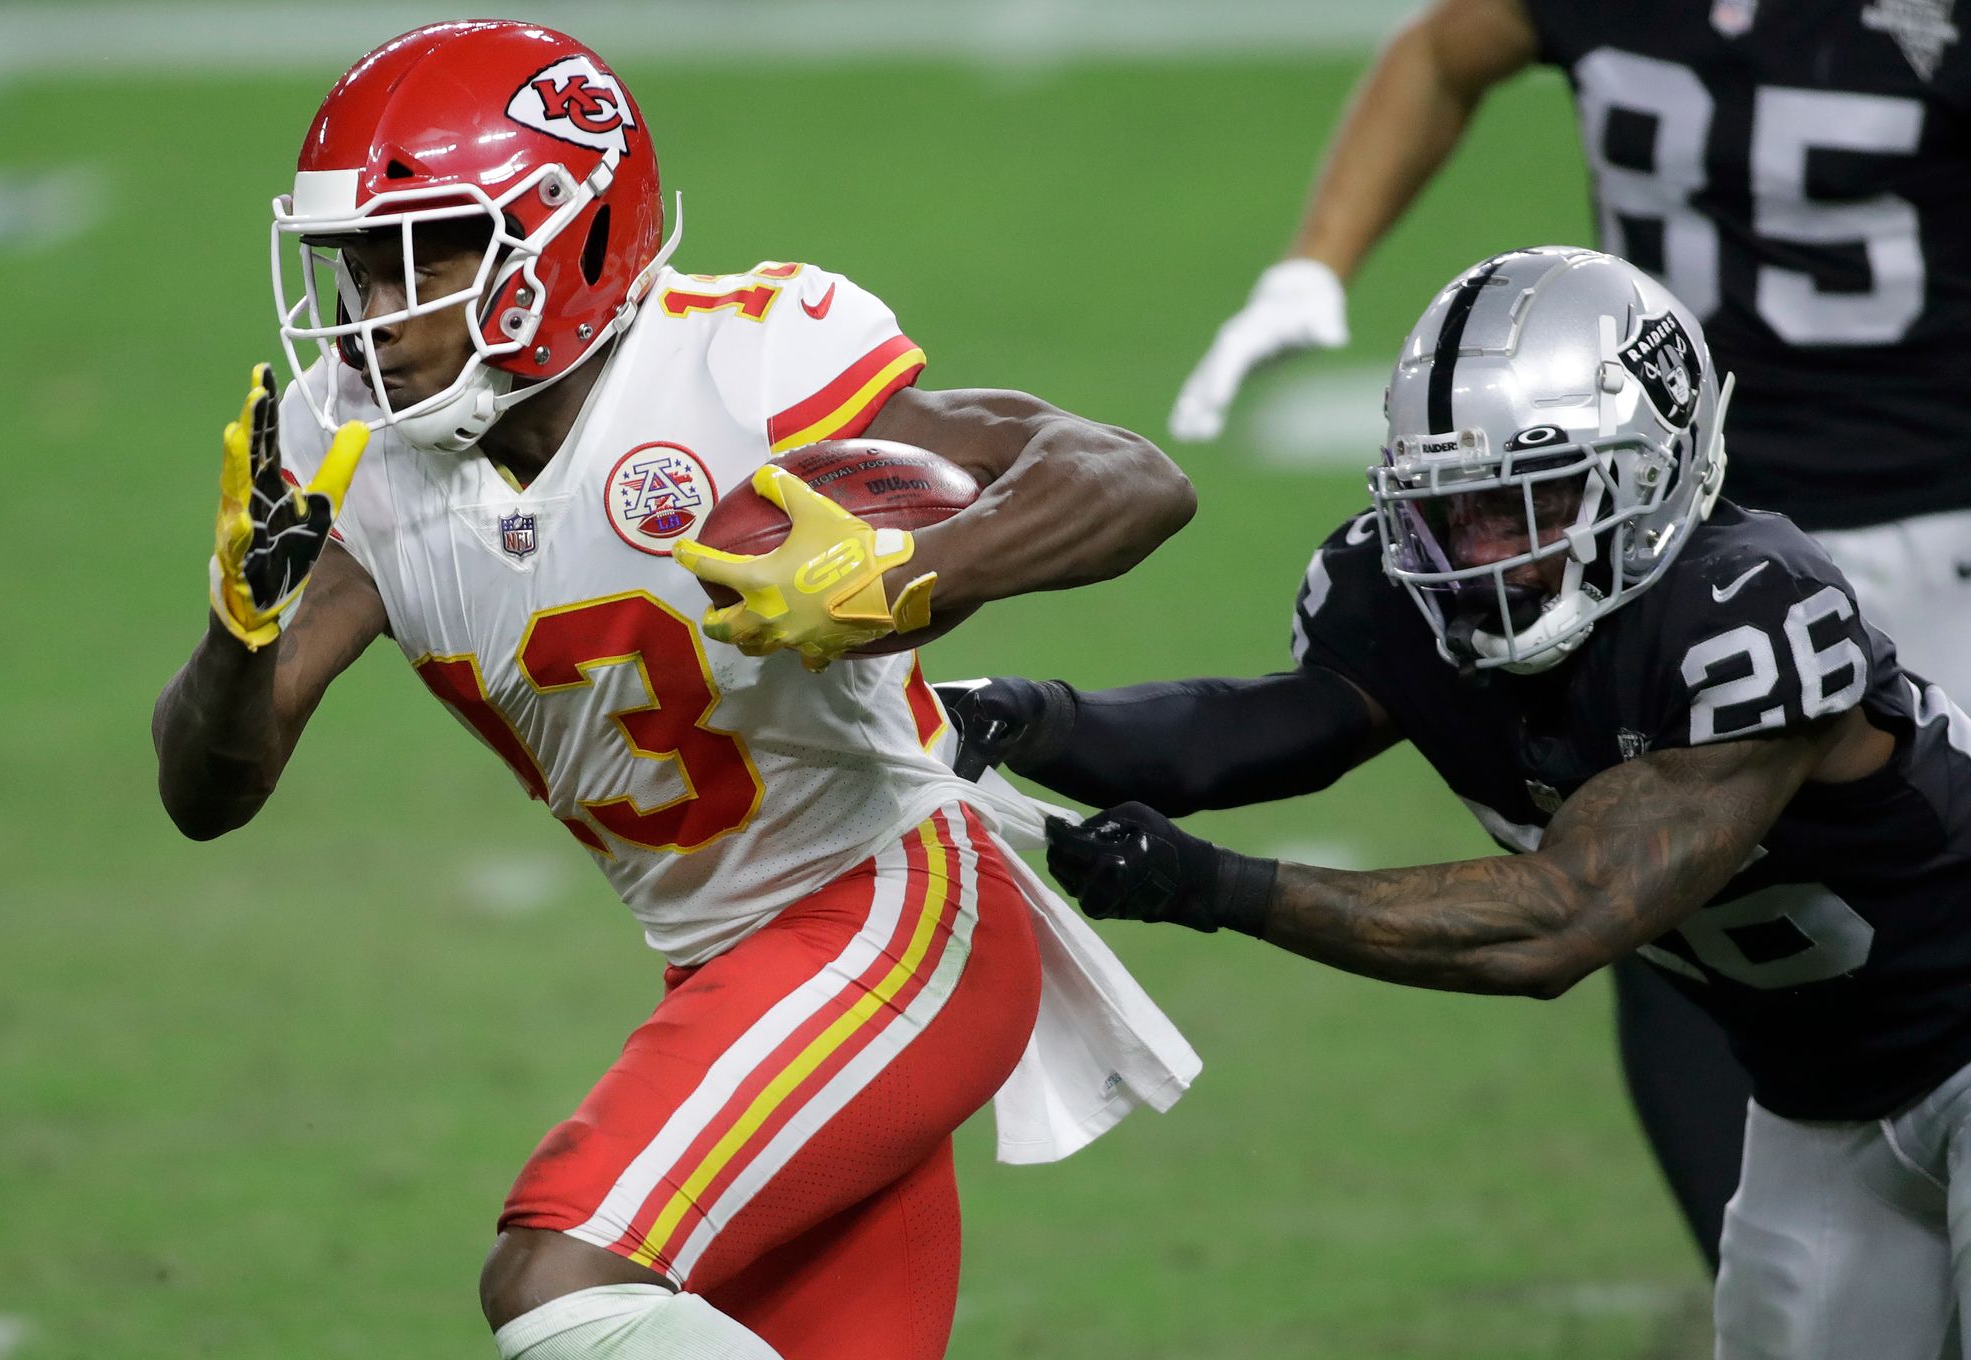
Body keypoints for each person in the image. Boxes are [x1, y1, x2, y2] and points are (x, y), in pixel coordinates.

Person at [152, 21, 1202, 1360]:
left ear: (565, 237)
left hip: (889, 914)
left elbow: (1127, 478)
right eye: (356, 262)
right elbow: (208, 795)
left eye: (419, 252)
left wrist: (903, 578)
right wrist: (235, 640)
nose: (371, 307)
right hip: (725, 968)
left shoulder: (738, 368)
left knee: (557, 1280)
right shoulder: (351, 448)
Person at [951, 246, 1971, 1357]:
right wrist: (1035, 714)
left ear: (1650, 470)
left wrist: (1212, 887)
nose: (1482, 553)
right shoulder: (1410, 594)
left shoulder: (1742, 613)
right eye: (1452, 508)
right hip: (1821, 1100)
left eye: (1527, 501)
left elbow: (1561, 919)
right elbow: (1256, 733)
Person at [1164, 0, 1971, 1268]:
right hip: (1642, 521)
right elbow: (1442, 49)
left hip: (1934, 515)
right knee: (1685, 913)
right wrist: (1311, 262)